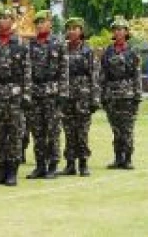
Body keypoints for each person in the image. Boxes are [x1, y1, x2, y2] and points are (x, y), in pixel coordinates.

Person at [0, 7, 32, 187]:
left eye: (6, 18)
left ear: (13, 20)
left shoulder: (20, 43)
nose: (2, 21)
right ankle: (1, 170)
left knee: (14, 133)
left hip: (15, 92)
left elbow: (27, 71)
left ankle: (12, 171)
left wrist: (27, 94)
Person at [25, 10, 68, 180]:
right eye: (37, 23)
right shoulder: (31, 45)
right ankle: (40, 165)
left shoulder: (58, 43)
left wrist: (63, 93)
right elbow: (27, 71)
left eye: (43, 22)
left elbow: (64, 70)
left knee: (53, 130)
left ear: (50, 23)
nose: (40, 25)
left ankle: (53, 164)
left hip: (52, 91)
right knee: (38, 131)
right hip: (36, 91)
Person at [100, 18, 142, 170]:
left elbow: (136, 75)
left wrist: (137, 95)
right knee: (116, 129)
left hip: (127, 94)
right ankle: (118, 158)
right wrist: (103, 95)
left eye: (121, 29)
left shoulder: (132, 51)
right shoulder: (108, 51)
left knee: (127, 128)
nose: (118, 32)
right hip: (112, 94)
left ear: (126, 32)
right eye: (115, 29)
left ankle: (128, 158)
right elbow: (103, 74)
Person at [61, 17, 99, 177]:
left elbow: (94, 75)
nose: (72, 31)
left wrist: (95, 98)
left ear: (81, 31)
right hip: (66, 95)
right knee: (68, 131)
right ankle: (70, 164)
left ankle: (83, 163)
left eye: (75, 28)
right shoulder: (63, 50)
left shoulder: (88, 51)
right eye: (69, 28)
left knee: (82, 131)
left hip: (83, 96)